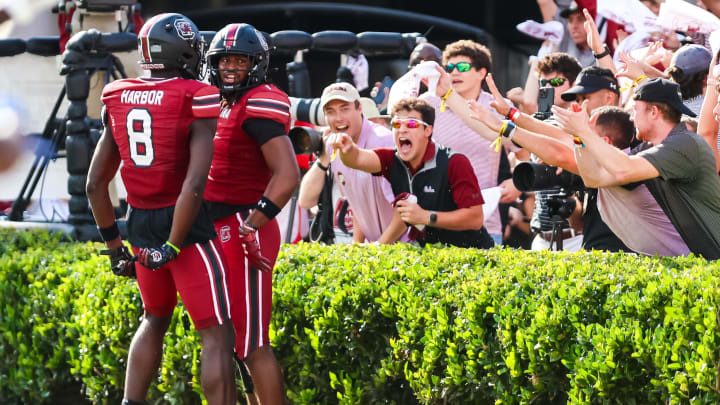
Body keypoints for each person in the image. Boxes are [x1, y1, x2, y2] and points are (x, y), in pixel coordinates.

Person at [86, 13, 235, 405]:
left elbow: (94, 183)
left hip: (138, 223)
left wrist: (115, 244)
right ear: (183, 48)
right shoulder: (194, 93)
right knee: (217, 332)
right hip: (183, 225)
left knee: (154, 318)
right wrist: (174, 243)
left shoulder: (117, 94)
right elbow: (195, 182)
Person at [202, 23, 299, 405]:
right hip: (217, 227)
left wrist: (252, 223)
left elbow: (288, 174)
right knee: (228, 340)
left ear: (255, 64)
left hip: (244, 228)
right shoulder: (221, 100)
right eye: (224, 59)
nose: (230, 68)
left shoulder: (260, 100)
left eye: (240, 60)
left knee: (253, 342)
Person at [555, 78, 720, 259]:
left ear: (654, 112)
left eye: (635, 110)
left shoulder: (685, 143)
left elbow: (622, 170)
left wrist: (586, 132)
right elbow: (594, 178)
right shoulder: (655, 148)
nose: (631, 117)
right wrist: (579, 137)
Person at [329, 97, 494, 248]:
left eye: (412, 124)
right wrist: (347, 148)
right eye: (397, 124)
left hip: (473, 256)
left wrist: (425, 217)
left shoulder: (455, 162)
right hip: (430, 256)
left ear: (427, 130)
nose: (402, 130)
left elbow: (475, 218)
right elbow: (357, 159)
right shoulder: (392, 159)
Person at [419, 39, 521, 245]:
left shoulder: (498, 106)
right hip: (433, 218)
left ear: (482, 73)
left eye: (463, 67)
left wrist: (517, 183)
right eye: (449, 68)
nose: (454, 73)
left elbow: (523, 150)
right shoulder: (428, 103)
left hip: (485, 222)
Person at [298, 82, 398, 243]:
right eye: (330, 112)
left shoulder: (383, 140)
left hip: (405, 249)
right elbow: (306, 201)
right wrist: (356, 249)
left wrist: (380, 247)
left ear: (359, 109)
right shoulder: (333, 145)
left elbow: (405, 207)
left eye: (345, 109)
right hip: (379, 251)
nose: (338, 118)